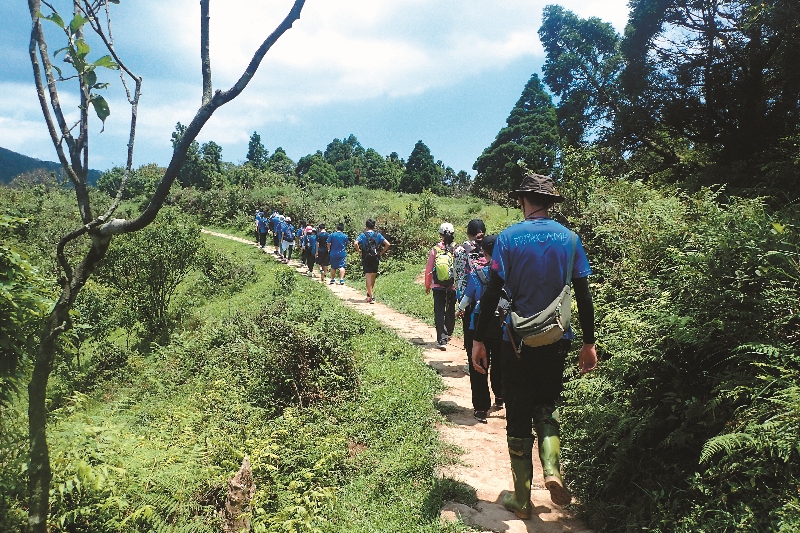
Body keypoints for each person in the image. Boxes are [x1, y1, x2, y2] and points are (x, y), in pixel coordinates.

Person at [471, 172, 597, 517]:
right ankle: (553, 471)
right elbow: (582, 295)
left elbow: (493, 292)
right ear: (549, 202)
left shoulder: (508, 239)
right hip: (557, 341)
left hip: (515, 342)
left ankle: (522, 500)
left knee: (518, 414)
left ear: (523, 200)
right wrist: (589, 342)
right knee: (547, 404)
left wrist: (479, 339)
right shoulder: (570, 239)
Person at [457, 234, 503, 423]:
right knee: (500, 363)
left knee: (478, 365)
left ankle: (481, 408)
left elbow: (467, 298)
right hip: (502, 325)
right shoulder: (508, 273)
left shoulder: (476, 274)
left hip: (477, 326)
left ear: (483, 251)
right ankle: (501, 396)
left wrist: (458, 310)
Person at [454, 219, 488, 374]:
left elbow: (459, 276)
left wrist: (461, 301)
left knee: (470, 331)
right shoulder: (490, 245)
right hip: (490, 296)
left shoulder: (461, 250)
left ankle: (472, 363)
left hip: (471, 297)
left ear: (468, 232)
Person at [425, 222, 457, 350]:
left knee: (439, 311)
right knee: (450, 310)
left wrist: (428, 284)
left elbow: (429, 268)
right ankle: (448, 334)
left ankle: (442, 339)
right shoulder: (457, 248)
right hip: (452, 286)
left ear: (440, 234)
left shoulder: (435, 249)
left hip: (437, 286)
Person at [354, 219, 390, 303]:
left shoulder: (363, 235)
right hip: (375, 257)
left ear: (366, 226)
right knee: (373, 275)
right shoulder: (378, 235)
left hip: (366, 257)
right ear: (374, 226)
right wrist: (381, 253)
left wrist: (359, 251)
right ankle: (370, 294)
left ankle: (371, 296)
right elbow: (388, 244)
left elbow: (355, 243)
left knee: (368, 276)